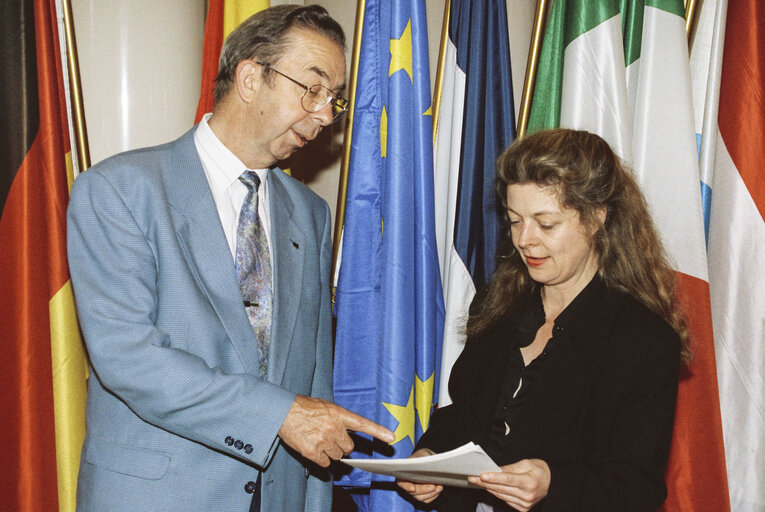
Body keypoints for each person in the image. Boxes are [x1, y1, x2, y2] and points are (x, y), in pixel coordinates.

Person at [67, 5, 393, 512]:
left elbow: (312, 380)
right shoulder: (120, 190)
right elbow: (128, 356)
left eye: (335, 99)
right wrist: (278, 416)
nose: (327, 115)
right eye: (312, 89)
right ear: (249, 78)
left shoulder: (310, 213)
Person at [398, 129, 685, 511]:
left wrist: (553, 483)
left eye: (546, 224)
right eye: (515, 221)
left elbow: (637, 488)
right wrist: (429, 457)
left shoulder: (643, 340)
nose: (525, 240)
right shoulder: (498, 304)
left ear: (596, 218)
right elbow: (466, 415)